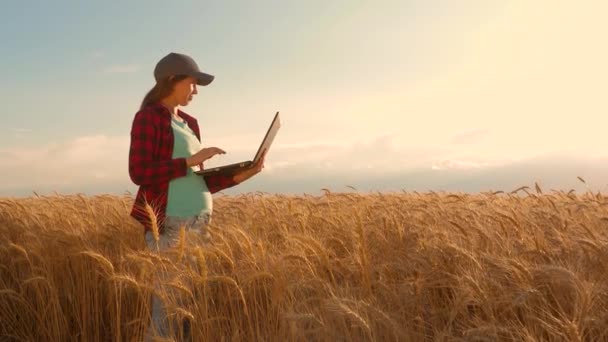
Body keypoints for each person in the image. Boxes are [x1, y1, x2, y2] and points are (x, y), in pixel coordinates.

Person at [128, 52, 265, 340]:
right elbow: (140, 171)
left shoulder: (189, 122)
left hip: (200, 220)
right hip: (169, 221)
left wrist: (243, 174)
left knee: (187, 305)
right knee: (166, 307)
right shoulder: (148, 117)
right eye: (192, 83)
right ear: (171, 81)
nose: (196, 91)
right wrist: (190, 161)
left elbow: (197, 180)